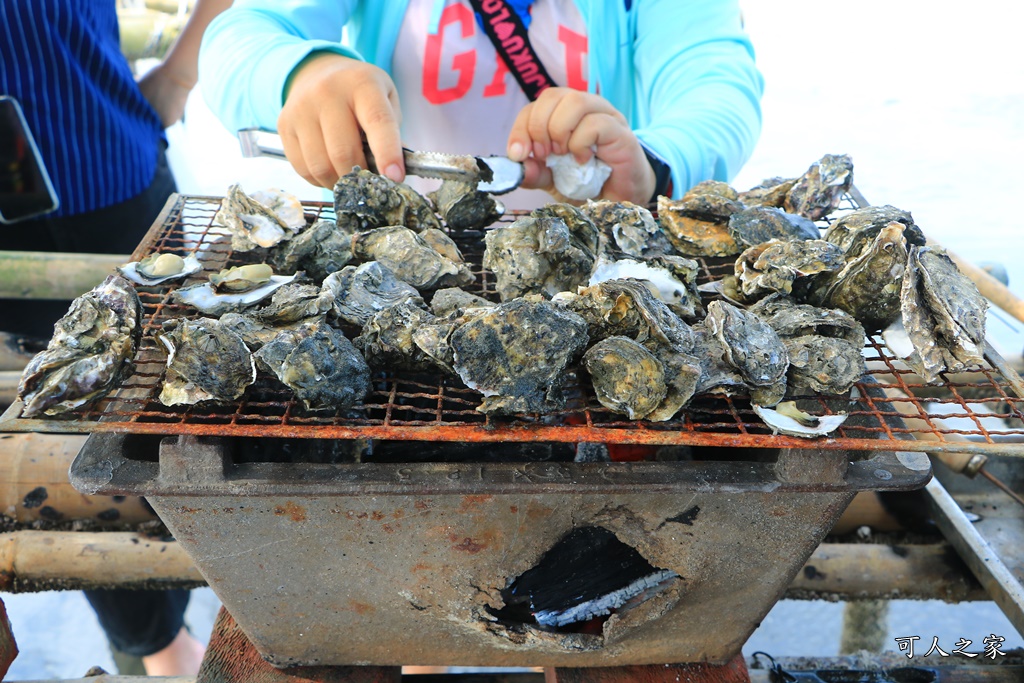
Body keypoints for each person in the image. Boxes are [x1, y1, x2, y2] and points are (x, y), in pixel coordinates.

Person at [1, 0, 231, 674]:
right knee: (65, 437)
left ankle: (206, 610)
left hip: (110, 167)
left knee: (181, 403)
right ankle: (159, 645)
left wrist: (183, 71)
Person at [198, 0, 764, 210]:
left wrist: (652, 164)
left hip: (596, 272)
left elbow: (716, 83)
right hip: (391, 265)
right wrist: (304, 72)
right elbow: (239, 35)